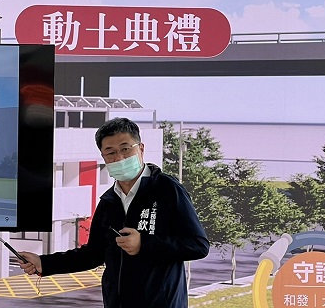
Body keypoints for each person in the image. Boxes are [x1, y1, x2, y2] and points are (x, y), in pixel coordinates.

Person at [18, 117, 209, 307]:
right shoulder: (108, 201)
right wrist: (43, 263)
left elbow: (198, 245)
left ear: (141, 149)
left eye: (125, 149)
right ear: (104, 157)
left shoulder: (167, 189)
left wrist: (144, 244)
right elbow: (93, 254)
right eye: (110, 152)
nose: (119, 158)